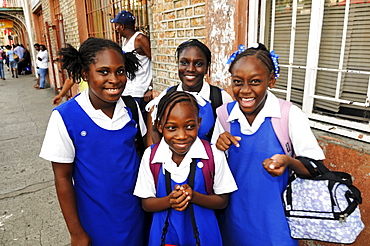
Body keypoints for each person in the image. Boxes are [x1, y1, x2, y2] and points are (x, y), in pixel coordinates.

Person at [211, 43, 326, 245]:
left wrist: (289, 162)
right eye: (238, 82)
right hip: (233, 220)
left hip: (277, 224)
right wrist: (218, 147)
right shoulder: (224, 115)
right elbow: (213, 169)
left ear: (271, 81)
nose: (245, 90)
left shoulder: (288, 115)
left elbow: (316, 168)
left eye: (255, 81)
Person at [39, 37, 147, 245]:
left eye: (120, 71)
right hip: (96, 222)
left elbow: (143, 155)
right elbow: (62, 178)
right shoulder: (65, 117)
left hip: (136, 214)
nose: (114, 79)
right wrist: (76, 232)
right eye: (103, 72)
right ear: (84, 74)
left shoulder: (131, 108)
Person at [134, 91, 237, 246]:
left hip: (206, 236)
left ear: (199, 123)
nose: (181, 135)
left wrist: (193, 196)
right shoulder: (151, 156)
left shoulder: (213, 154)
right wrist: (170, 201)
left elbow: (222, 201)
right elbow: (146, 203)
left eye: (189, 126)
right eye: (171, 128)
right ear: (160, 126)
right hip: (165, 237)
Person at [146, 39, 233, 143]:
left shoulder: (220, 98)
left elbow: (229, 135)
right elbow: (155, 132)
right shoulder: (166, 96)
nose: (191, 69)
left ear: (207, 67)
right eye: (184, 63)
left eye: (199, 64)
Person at [111, 10, 153, 121]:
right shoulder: (125, 41)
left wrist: (150, 87)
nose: (116, 29)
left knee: (140, 124)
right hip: (128, 90)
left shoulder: (140, 39)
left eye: (117, 26)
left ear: (122, 26)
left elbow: (153, 61)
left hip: (139, 90)